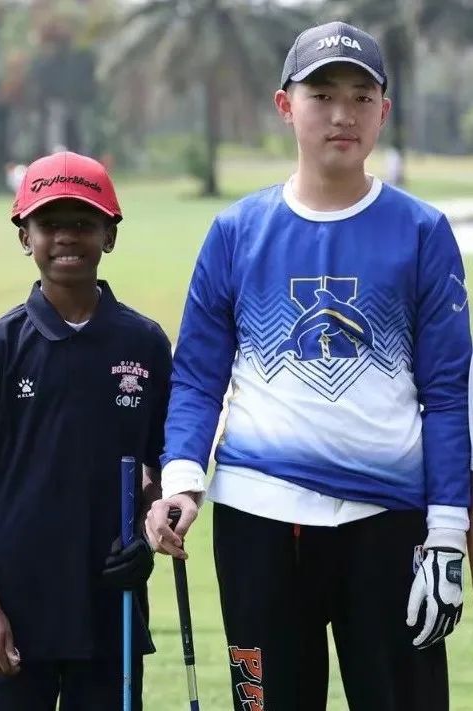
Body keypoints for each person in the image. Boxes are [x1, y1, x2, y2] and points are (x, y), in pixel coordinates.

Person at [145, 21, 471, 711]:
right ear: (285, 106)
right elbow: (198, 376)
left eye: (360, 96)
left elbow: (446, 394)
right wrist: (182, 480)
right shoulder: (236, 233)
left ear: (383, 111)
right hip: (258, 519)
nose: (342, 114)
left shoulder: (422, 233)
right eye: (321, 95)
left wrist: (446, 532)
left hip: (389, 521)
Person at [0, 151, 171, 710]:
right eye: (50, 224)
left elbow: (161, 467)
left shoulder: (144, 344)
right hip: (12, 615)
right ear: (26, 237)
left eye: (84, 223)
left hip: (109, 608)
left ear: (110, 235)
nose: (67, 236)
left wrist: (145, 535)